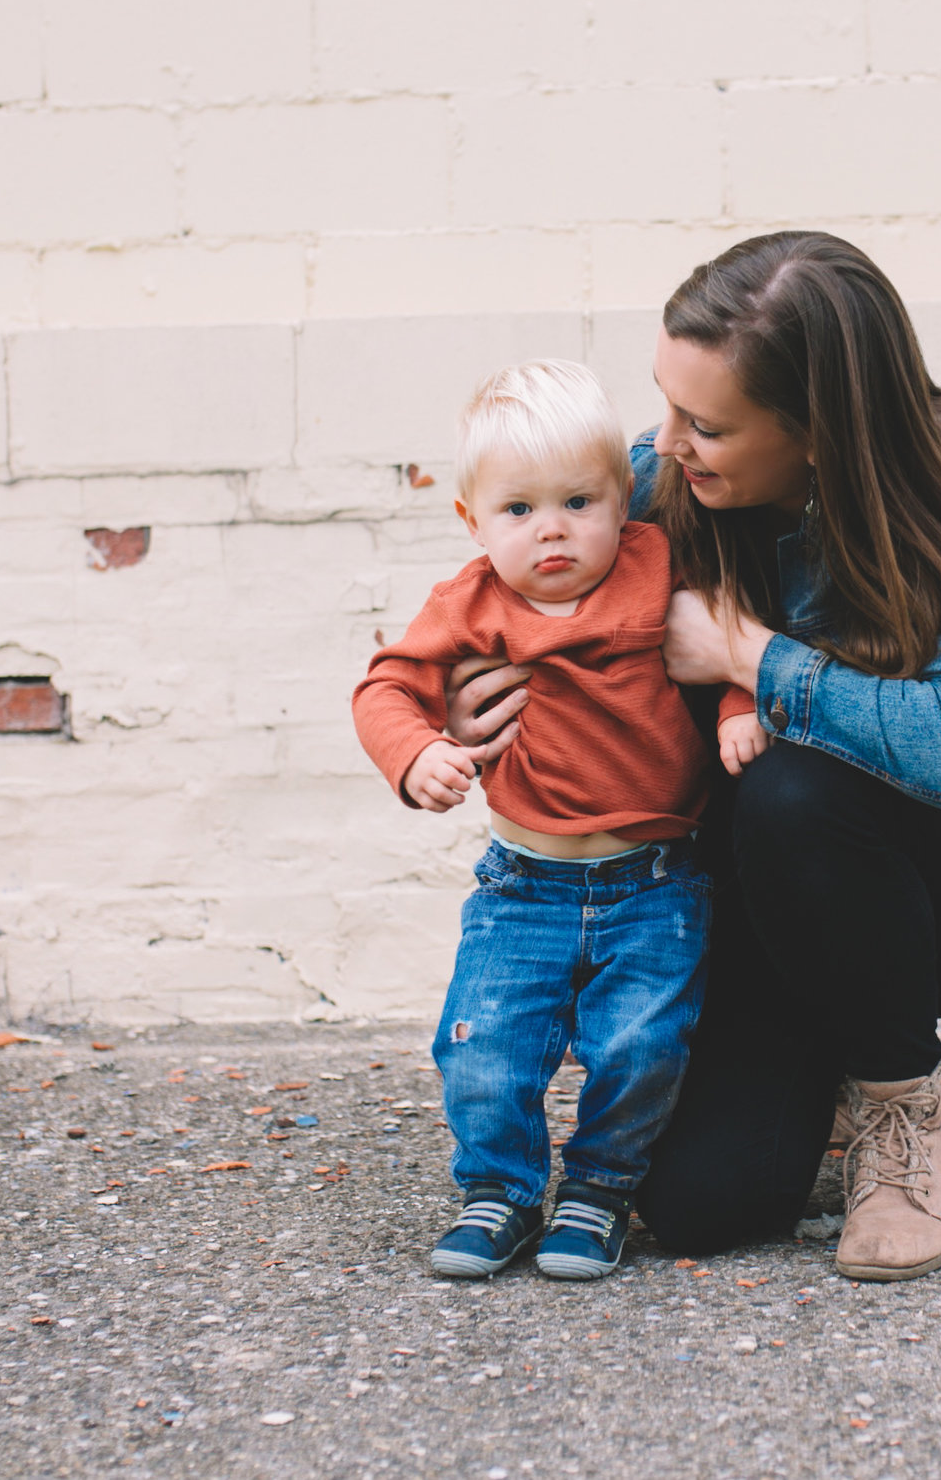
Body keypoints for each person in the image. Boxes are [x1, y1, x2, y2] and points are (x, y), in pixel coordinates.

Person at [442, 234, 941, 1282]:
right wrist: (468, 692)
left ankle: (897, 1100)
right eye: (665, 405)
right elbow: (513, 567)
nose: (666, 445)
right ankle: (829, 1030)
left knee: (795, 787)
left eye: (706, 426)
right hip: (769, 890)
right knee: (699, 1203)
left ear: (819, 436)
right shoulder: (665, 488)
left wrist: (750, 653)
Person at [351, 360, 756, 1282]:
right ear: (472, 520)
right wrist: (415, 755)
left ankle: (599, 1192)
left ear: (625, 498)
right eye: (519, 509)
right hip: (524, 882)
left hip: (652, 880)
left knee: (641, 1044)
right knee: (482, 1043)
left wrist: (740, 708)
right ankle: (496, 1192)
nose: (554, 530)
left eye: (579, 500)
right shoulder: (470, 604)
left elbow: (733, 632)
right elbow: (386, 687)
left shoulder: (659, 568)